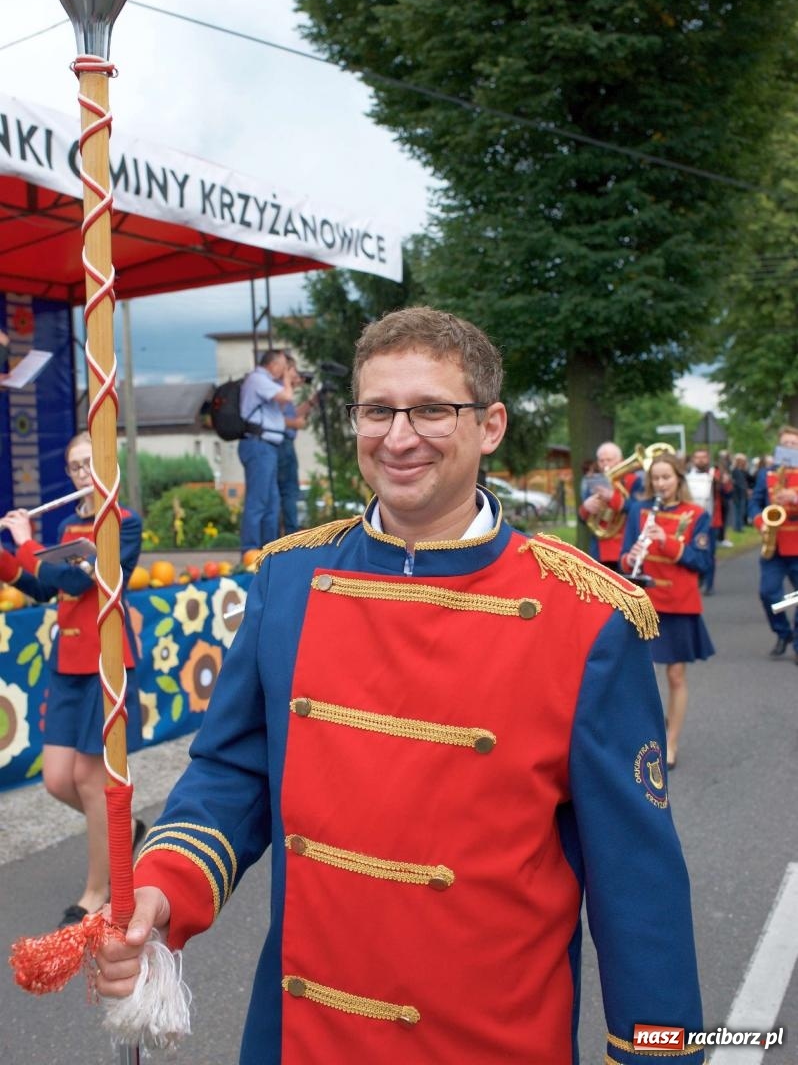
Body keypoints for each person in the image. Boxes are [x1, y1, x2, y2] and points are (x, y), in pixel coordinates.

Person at [94, 308, 704, 1064]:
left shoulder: (586, 618)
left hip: (492, 1044)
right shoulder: (290, 579)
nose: (399, 435)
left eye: (432, 410)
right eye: (377, 410)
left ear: (489, 426)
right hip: (306, 1038)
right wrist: (163, 889)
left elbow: (637, 887)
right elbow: (233, 772)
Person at [0, 431, 145, 926]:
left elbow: (81, 578)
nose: (84, 474)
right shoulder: (65, 527)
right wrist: (7, 557)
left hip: (106, 659)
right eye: (76, 467)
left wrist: (26, 542)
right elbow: (44, 586)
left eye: (91, 463)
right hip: (67, 662)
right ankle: (122, 836)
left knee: (90, 779)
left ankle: (96, 890)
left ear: (110, 467)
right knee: (58, 779)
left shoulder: (124, 524)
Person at [621, 449, 714, 770]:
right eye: (655, 479)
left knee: (675, 675)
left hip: (678, 603)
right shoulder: (639, 510)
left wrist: (667, 542)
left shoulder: (696, 514)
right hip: (645, 600)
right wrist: (630, 559)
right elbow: (623, 556)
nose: (660, 484)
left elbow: (702, 562)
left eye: (666, 478)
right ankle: (642, 737)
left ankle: (671, 742)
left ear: (678, 479)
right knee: (638, 675)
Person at [238, 348, 295, 552]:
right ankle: (250, 550)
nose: (284, 370)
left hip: (267, 448)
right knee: (258, 501)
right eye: (282, 365)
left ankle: (268, 551)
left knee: (272, 503)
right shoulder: (257, 379)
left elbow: (278, 410)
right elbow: (286, 397)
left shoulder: (266, 384)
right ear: (272, 364)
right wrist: (287, 379)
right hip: (258, 445)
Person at [749, 425, 798, 661]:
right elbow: (755, 503)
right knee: (768, 593)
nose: (789, 448)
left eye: (794, 444)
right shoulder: (767, 474)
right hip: (775, 545)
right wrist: (762, 523)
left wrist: (795, 497)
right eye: (785, 444)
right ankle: (783, 632)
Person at [577, 440, 643, 570]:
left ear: (621, 461)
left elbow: (640, 511)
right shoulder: (594, 481)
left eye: (609, 460)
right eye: (601, 461)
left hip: (626, 547)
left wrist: (613, 498)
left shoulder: (634, 481)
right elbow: (583, 519)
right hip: (599, 550)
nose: (605, 465)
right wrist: (586, 507)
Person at [276, 354, 314, 536]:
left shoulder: (286, 393)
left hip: (287, 443)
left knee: (290, 489)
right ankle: (289, 532)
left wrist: (312, 402)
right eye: (293, 370)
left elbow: (293, 414)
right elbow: (276, 418)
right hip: (282, 443)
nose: (296, 374)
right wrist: (296, 424)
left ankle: (290, 530)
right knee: (288, 490)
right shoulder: (279, 391)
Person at [685, 446, 731, 595]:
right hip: (690, 521)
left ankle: (708, 585)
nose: (700, 460)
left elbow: (728, 493)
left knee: (709, 553)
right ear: (693, 460)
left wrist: (724, 482)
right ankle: (696, 580)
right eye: (698, 457)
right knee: (692, 551)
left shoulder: (715, 474)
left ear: (708, 459)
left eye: (703, 457)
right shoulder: (686, 476)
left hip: (711, 521)